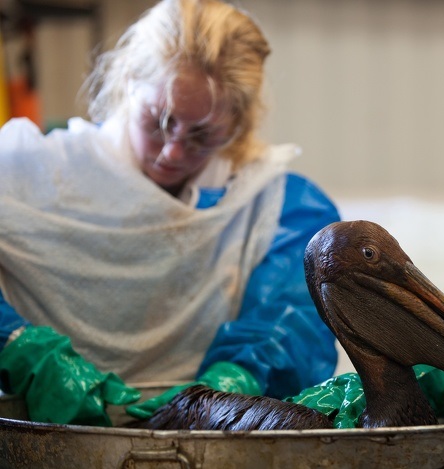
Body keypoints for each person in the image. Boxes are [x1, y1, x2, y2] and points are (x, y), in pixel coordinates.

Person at [0, 0, 339, 426]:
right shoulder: (30, 174)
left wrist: (231, 384)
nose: (173, 151)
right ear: (127, 84)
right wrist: (19, 344)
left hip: (211, 440)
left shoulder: (277, 210)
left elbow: (293, 321)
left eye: (202, 135)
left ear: (238, 123)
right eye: (158, 121)